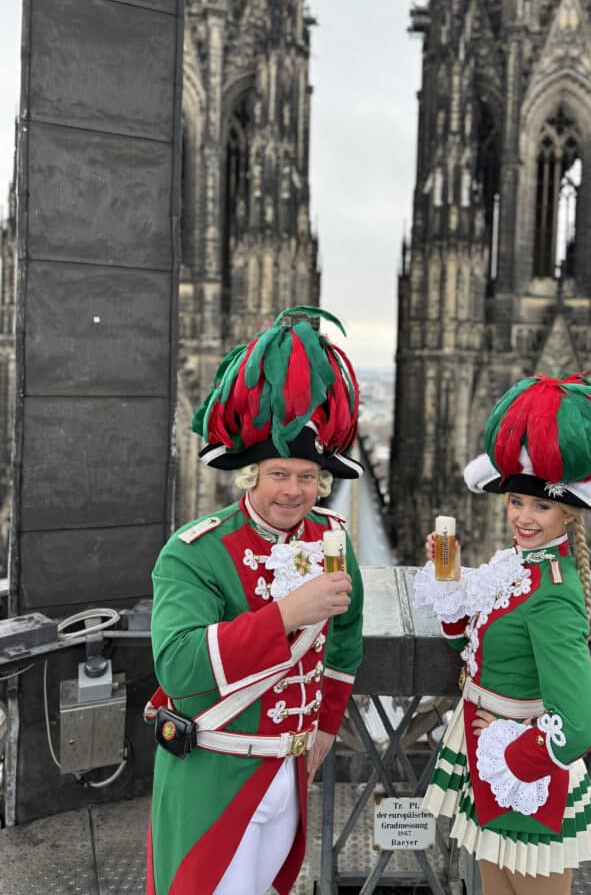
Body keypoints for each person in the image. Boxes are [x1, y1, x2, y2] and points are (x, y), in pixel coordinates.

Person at [144, 307, 365, 895]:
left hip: (290, 777)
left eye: (307, 476)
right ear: (249, 476)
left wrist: (323, 730)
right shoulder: (194, 552)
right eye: (278, 474)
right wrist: (287, 614)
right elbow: (180, 666)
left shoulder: (333, 539)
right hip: (214, 774)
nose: (294, 491)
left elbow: (344, 639)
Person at [414, 374, 591, 895]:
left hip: (525, 776)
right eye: (517, 503)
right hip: (490, 766)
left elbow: (579, 726)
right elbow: (466, 641)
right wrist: (448, 579)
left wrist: (507, 751)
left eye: (540, 506)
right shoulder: (517, 568)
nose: (524, 516)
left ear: (568, 511)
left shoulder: (554, 594)